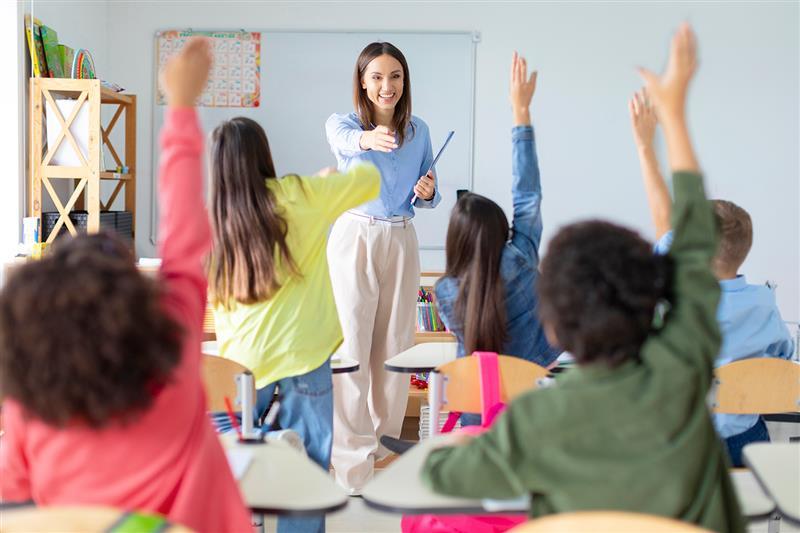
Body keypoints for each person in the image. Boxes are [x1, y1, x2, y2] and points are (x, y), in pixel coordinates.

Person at [421, 25, 745, 533]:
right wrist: (672, 121)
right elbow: (694, 246)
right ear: (649, 302)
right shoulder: (684, 376)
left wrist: (458, 442)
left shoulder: (529, 426)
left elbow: (440, 475)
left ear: (555, 323)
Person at [0, 38, 252, 533]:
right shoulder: (174, 345)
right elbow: (185, 232)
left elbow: (12, 502)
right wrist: (180, 106)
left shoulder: (29, 405)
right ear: (134, 299)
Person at [208, 107, 380, 533]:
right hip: (304, 357)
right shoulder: (299, 194)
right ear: (265, 155)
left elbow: (221, 305)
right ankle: (282, 454)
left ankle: (262, 453)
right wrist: (327, 183)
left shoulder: (217, 222)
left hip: (242, 369)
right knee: (306, 480)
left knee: (238, 463)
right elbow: (369, 182)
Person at [628, 86, 795, 467]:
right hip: (743, 443)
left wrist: (645, 144)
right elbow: (783, 361)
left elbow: (663, 220)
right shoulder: (764, 303)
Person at [325, 41, 441, 493]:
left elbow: (430, 192)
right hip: (355, 235)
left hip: (401, 237)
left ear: (404, 81)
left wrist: (429, 191)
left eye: (394, 76)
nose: (386, 85)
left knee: (395, 351)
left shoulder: (419, 131)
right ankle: (351, 467)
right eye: (376, 76)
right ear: (362, 81)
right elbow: (343, 141)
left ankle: (384, 453)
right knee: (351, 350)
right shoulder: (344, 125)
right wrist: (367, 139)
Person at [434, 52, 560, 428]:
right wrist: (520, 112)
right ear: (501, 229)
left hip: (478, 406)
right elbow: (528, 195)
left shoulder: (444, 292)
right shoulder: (520, 256)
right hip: (532, 403)